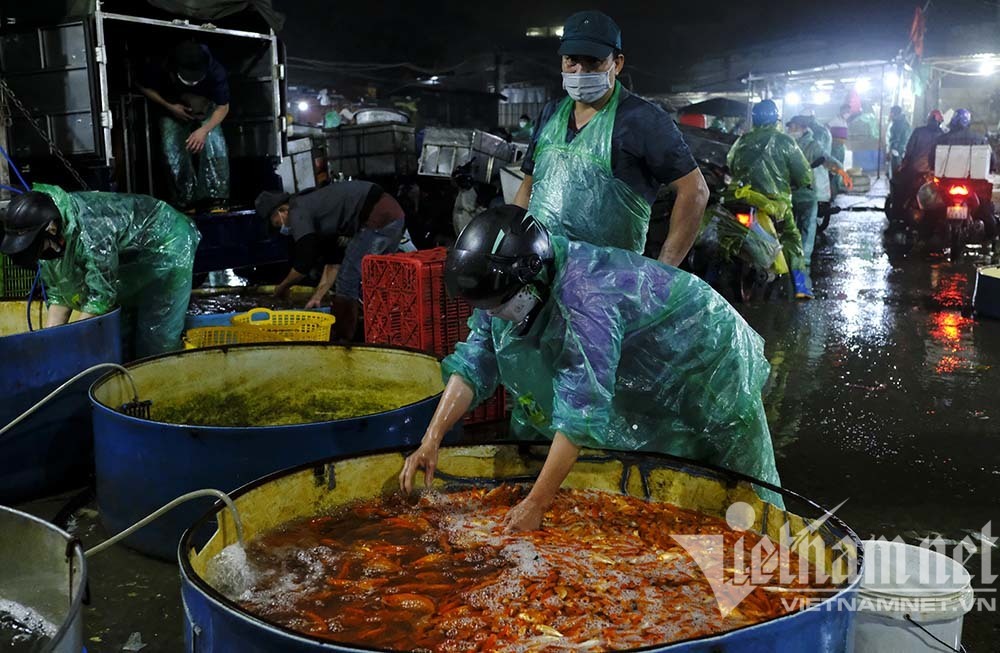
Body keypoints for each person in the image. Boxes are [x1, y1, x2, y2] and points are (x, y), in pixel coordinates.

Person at [398, 206, 783, 530]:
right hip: (641, 352)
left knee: (728, 461)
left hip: (704, 352)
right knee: (649, 447)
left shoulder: (586, 301)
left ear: (532, 279)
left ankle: (766, 544)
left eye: (499, 305)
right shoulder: (505, 290)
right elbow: (474, 362)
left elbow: (581, 412)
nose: (494, 315)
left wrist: (536, 504)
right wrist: (431, 440)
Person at [512, 10, 708, 265]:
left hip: (608, 286)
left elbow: (695, 191)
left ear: (617, 63)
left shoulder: (643, 120)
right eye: (572, 60)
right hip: (542, 272)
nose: (580, 71)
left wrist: (662, 271)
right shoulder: (550, 114)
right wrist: (512, 246)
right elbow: (527, 188)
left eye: (593, 61)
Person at [0, 185, 200, 357]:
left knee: (157, 331)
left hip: (169, 240)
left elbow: (100, 298)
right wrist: (50, 343)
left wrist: (73, 344)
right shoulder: (53, 240)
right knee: (124, 329)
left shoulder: (91, 232)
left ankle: (160, 383)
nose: (41, 255)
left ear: (51, 229)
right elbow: (60, 294)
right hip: (133, 255)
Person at [256, 181, 406, 341]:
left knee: (348, 278)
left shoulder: (297, 209)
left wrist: (282, 288)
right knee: (376, 280)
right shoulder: (319, 212)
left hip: (379, 217)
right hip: (393, 216)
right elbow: (334, 261)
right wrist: (317, 297)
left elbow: (304, 260)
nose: (282, 229)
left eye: (278, 224)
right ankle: (391, 329)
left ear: (283, 210)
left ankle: (343, 339)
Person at [727, 100, 814, 299]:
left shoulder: (742, 141)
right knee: (792, 239)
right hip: (775, 203)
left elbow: (730, 164)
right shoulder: (785, 142)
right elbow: (804, 174)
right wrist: (804, 182)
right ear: (776, 118)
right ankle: (801, 286)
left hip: (744, 199)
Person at [138, 41, 231, 208]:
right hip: (172, 106)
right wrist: (169, 107)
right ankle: (185, 198)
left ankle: (215, 196)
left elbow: (223, 107)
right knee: (172, 149)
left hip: (206, 108)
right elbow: (143, 87)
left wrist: (204, 130)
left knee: (215, 144)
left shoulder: (216, 71)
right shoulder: (161, 65)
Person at [786, 116, 852, 292]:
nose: (790, 129)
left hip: (807, 193)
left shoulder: (812, 145)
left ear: (801, 127)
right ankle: (792, 263)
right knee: (791, 230)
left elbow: (826, 158)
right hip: (788, 193)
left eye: (792, 126)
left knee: (807, 229)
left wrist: (842, 172)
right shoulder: (786, 143)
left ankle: (803, 266)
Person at [887, 106, 911, 177]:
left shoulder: (897, 124)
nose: (889, 114)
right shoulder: (905, 122)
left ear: (893, 113)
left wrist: (891, 150)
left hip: (897, 151)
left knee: (895, 173)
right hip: (903, 150)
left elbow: (895, 139)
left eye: (890, 113)